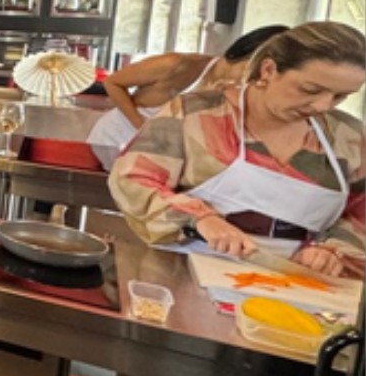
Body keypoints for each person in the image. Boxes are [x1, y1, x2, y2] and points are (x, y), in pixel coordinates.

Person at [110, 22, 365, 279]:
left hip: (295, 283)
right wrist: (199, 219)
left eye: (340, 96)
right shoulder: (194, 114)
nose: (323, 105)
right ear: (269, 69)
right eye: (310, 90)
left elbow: (360, 213)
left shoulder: (349, 137)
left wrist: (332, 252)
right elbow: (133, 178)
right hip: (182, 270)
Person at [88, 25, 289, 168]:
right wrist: (141, 125)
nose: (250, 81)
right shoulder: (176, 64)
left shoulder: (236, 91)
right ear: (243, 55)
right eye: (251, 71)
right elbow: (113, 82)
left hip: (159, 152)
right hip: (117, 138)